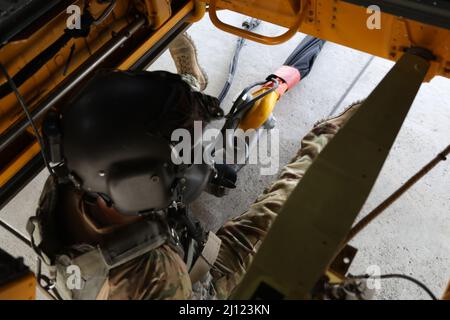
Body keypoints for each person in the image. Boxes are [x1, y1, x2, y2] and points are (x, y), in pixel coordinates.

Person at [28, 32, 361, 300]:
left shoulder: (77, 164)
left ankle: (189, 80)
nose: (192, 163)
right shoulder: (158, 276)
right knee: (280, 215)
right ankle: (331, 135)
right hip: (200, 284)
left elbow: (128, 124)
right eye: (180, 161)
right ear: (142, 185)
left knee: (169, 114)